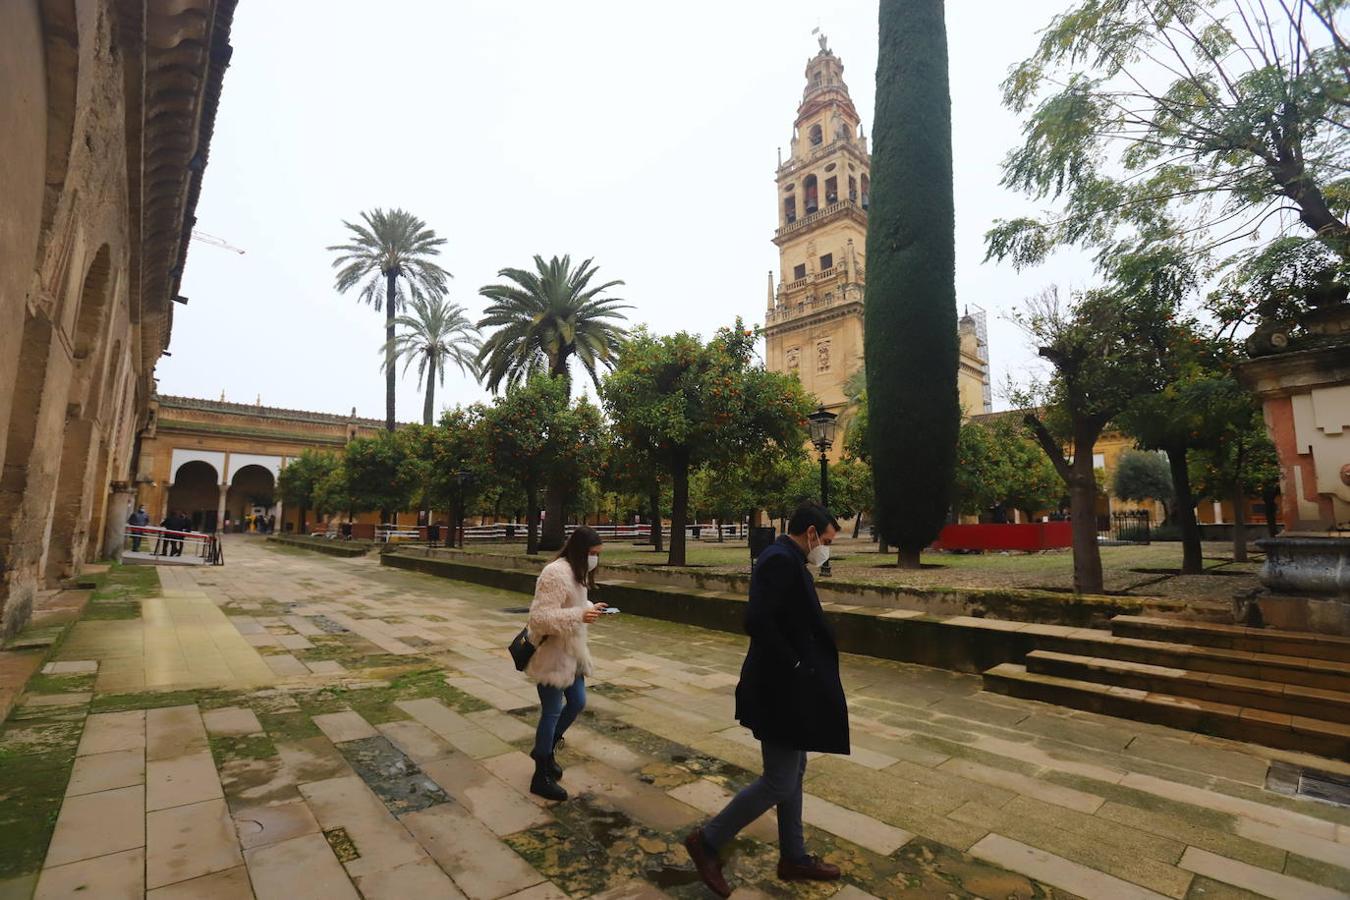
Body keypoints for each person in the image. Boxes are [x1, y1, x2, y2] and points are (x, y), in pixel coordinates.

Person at [684, 503, 848, 896]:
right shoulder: (779, 559)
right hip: (778, 689)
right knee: (778, 779)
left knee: (795, 770)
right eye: (825, 541)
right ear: (810, 532)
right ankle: (707, 841)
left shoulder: (787, 558)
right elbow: (757, 619)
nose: (825, 548)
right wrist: (794, 663)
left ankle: (793, 856)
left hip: (788, 686)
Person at [523, 525, 609, 801]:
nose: (596, 559)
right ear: (581, 551)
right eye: (593, 553)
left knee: (577, 702)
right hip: (552, 654)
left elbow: (575, 604)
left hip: (572, 653)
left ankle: (544, 749)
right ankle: (541, 773)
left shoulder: (577, 572)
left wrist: (590, 608)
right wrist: (579, 615)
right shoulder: (555, 573)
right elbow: (539, 618)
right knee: (551, 711)